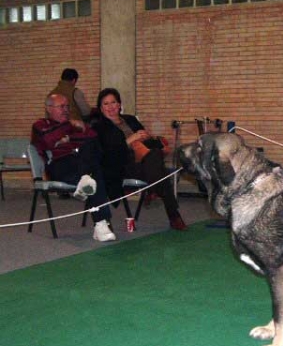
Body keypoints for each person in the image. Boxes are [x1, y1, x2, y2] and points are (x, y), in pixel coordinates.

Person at [92, 88, 187, 231]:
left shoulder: (130, 119)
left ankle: (153, 188)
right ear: (101, 108)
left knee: (155, 156)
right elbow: (107, 153)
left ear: (119, 105)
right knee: (160, 172)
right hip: (121, 166)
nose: (111, 107)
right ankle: (173, 214)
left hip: (144, 161)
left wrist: (152, 140)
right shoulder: (99, 126)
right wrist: (131, 139)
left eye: (114, 102)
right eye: (106, 104)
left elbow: (147, 142)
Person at [31, 93, 116, 242]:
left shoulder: (74, 125)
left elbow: (93, 138)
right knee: (94, 174)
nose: (66, 110)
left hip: (82, 163)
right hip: (59, 165)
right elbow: (49, 140)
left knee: (92, 153)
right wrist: (70, 126)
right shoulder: (41, 125)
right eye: (61, 106)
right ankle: (101, 223)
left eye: (67, 106)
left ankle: (100, 221)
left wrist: (69, 138)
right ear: (49, 108)